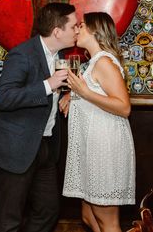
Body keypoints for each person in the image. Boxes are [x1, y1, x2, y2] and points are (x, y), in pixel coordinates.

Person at [0, 2, 78, 232]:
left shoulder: (62, 55)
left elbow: (53, 96)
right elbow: (4, 98)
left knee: (48, 211)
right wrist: (48, 85)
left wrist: (68, 94)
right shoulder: (22, 54)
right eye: (74, 26)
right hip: (17, 148)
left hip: (46, 147)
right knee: (10, 219)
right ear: (57, 31)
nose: (78, 30)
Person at [60, 12, 135, 232]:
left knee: (108, 222)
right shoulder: (94, 62)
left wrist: (83, 92)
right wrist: (72, 96)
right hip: (91, 149)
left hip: (105, 149)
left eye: (81, 26)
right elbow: (96, 93)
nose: (76, 30)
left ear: (94, 31)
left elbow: (124, 107)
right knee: (88, 216)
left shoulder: (103, 61)